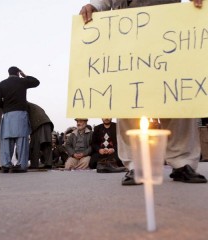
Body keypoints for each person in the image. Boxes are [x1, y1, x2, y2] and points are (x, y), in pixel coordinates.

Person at [80, 0, 207, 184]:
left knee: (177, 98)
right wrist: (95, 6)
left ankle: (183, 163)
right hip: (128, 28)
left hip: (170, 23)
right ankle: (136, 165)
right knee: (129, 101)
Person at [0, 66, 40, 173]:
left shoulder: (2, 84)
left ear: (8, 73)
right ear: (18, 73)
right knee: (22, 140)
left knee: (6, 140)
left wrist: (5, 107)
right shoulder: (22, 81)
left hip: (7, 115)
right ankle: (21, 165)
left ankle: (6, 165)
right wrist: (25, 75)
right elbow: (36, 82)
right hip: (20, 114)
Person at [27, 102, 54, 169]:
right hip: (47, 123)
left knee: (35, 144)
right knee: (46, 144)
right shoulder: (32, 105)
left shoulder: (23, 105)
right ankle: (48, 163)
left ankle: (34, 164)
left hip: (38, 124)